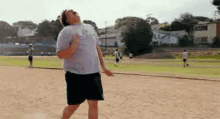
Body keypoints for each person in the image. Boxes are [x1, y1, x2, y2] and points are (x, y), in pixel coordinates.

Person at [56, 9, 114, 119]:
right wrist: (74, 46)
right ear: (67, 20)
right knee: (74, 105)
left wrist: (104, 67)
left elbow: (97, 48)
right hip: (75, 74)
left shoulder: (90, 27)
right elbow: (60, 54)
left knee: (94, 104)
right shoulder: (66, 31)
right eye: (70, 13)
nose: (73, 11)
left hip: (93, 73)